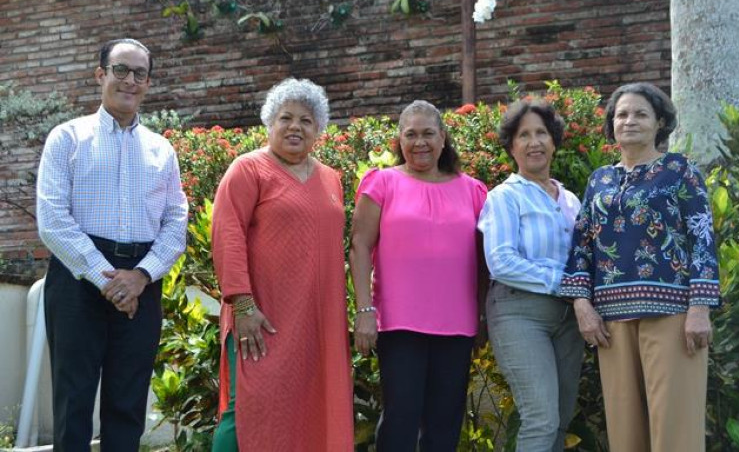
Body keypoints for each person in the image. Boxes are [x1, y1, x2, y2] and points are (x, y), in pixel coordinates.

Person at [36, 38, 188, 452]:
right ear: (100, 74)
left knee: (128, 401)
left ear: (148, 83)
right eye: (121, 69)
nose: (130, 80)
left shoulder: (163, 150)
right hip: (76, 279)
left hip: (143, 279)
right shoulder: (67, 138)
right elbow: (52, 221)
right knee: (74, 399)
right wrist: (108, 279)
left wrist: (139, 277)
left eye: (140, 74)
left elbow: (176, 223)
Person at [560, 82, 720, 452]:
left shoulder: (680, 170)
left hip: (672, 314)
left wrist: (700, 308)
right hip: (611, 320)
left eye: (640, 114)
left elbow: (702, 238)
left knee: (675, 426)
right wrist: (582, 305)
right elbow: (582, 244)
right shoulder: (599, 179)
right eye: (622, 114)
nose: (629, 121)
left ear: (659, 122)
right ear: (612, 124)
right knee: (623, 427)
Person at [210, 78, 353, 451]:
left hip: (315, 322)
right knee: (247, 407)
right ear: (269, 123)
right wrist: (242, 304)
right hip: (261, 315)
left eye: (306, 120)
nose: (295, 127)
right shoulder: (248, 170)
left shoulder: (331, 179)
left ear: (318, 129)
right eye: (286, 118)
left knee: (308, 406)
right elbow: (227, 236)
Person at [350, 100, 487, 452]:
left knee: (445, 424)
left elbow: (485, 262)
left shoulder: (473, 190)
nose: (420, 142)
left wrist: (484, 317)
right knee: (400, 420)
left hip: (457, 326)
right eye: (410, 134)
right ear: (399, 140)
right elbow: (360, 246)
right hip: (399, 324)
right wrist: (365, 311)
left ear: (443, 138)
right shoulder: (381, 183)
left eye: (428, 133)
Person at [477, 100, 584, 451]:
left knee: (560, 418)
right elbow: (502, 262)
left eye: (542, 133)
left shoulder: (570, 200)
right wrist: (565, 283)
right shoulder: (504, 197)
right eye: (524, 135)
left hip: (570, 317)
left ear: (554, 142)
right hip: (519, 313)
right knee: (540, 418)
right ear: (512, 147)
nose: (534, 142)